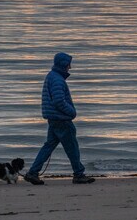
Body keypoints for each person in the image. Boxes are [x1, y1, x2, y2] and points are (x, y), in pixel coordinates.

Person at [24, 52, 95, 185]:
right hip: (61, 119)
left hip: (54, 119)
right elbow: (58, 101)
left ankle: (33, 172)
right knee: (72, 147)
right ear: (64, 64)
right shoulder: (57, 79)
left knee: (49, 146)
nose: (70, 67)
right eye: (69, 64)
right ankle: (79, 174)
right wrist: (72, 112)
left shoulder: (52, 76)